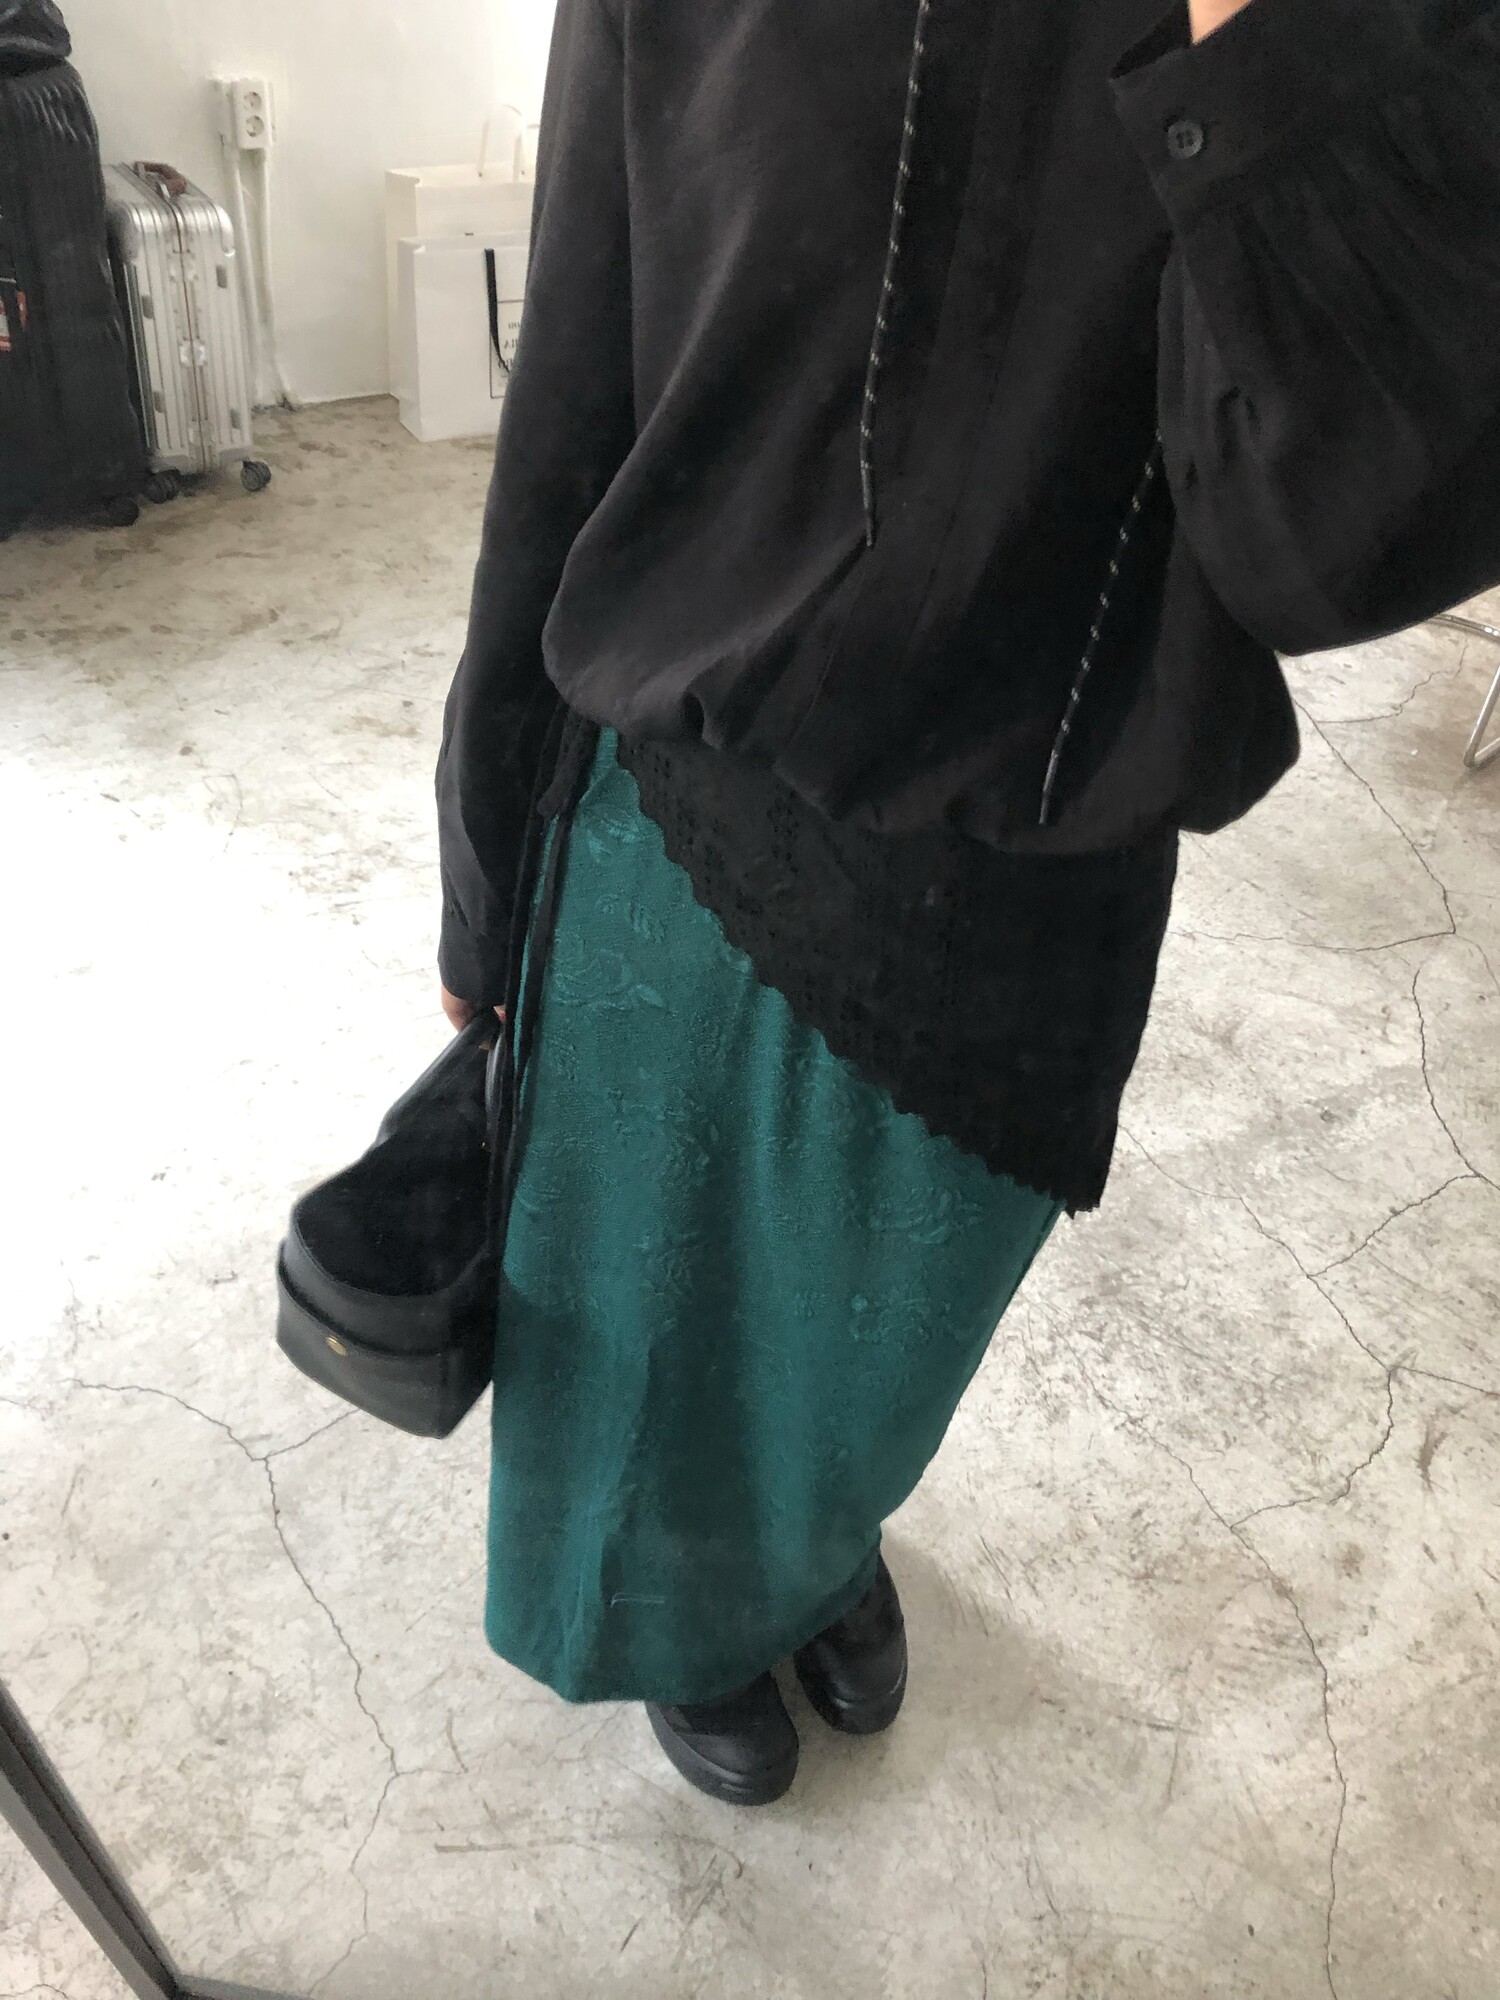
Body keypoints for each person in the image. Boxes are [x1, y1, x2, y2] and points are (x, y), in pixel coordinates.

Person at [437, 0, 1500, 1806]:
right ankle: (687, 1618)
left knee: (879, 1341)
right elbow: (580, 367)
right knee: (650, 1352)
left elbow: (1322, 543)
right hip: (698, 823)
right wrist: (484, 853)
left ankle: (806, 1540)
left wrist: (1254, 53)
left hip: (1046, 846)